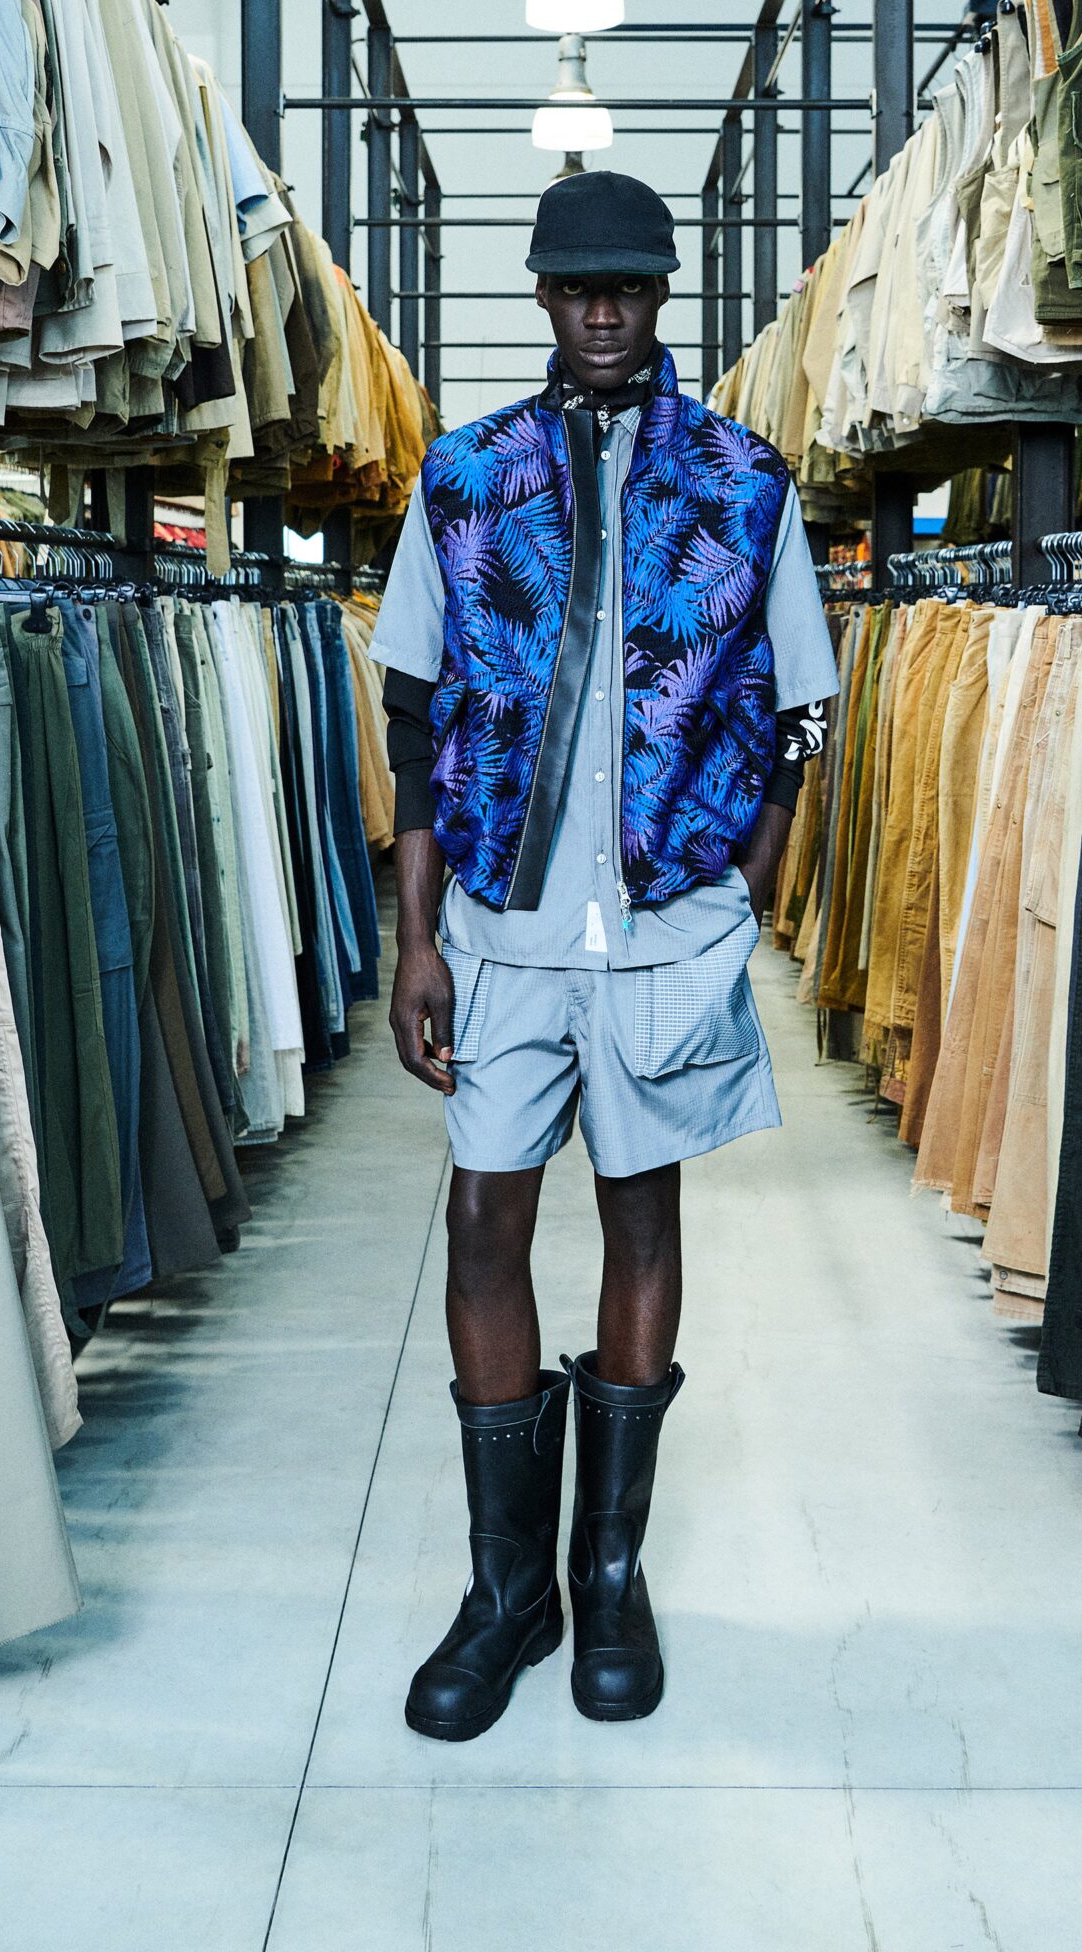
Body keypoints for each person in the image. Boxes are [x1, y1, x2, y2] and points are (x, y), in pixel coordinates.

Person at [370, 167, 837, 1742]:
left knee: (644, 1216)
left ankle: (612, 1567)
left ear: (662, 291)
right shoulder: (467, 475)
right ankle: (509, 1590)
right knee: (484, 1219)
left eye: (630, 287)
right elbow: (416, 717)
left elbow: (801, 706)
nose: (606, 313)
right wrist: (415, 934)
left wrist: (747, 881)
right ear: (544, 294)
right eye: (580, 289)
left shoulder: (744, 478)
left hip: (659, 932)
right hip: (500, 929)